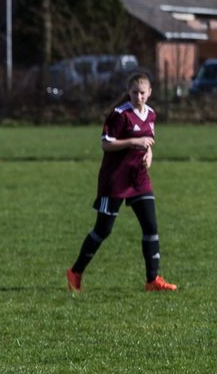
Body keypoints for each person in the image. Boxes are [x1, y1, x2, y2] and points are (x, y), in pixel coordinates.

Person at [66, 72, 177, 292]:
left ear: (150, 92)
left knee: (151, 227)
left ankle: (152, 280)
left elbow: (149, 142)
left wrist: (149, 154)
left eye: (142, 93)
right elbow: (106, 144)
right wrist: (134, 141)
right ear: (129, 92)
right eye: (134, 92)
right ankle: (75, 271)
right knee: (103, 230)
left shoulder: (151, 114)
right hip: (114, 180)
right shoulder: (119, 115)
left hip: (138, 179)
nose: (139, 97)